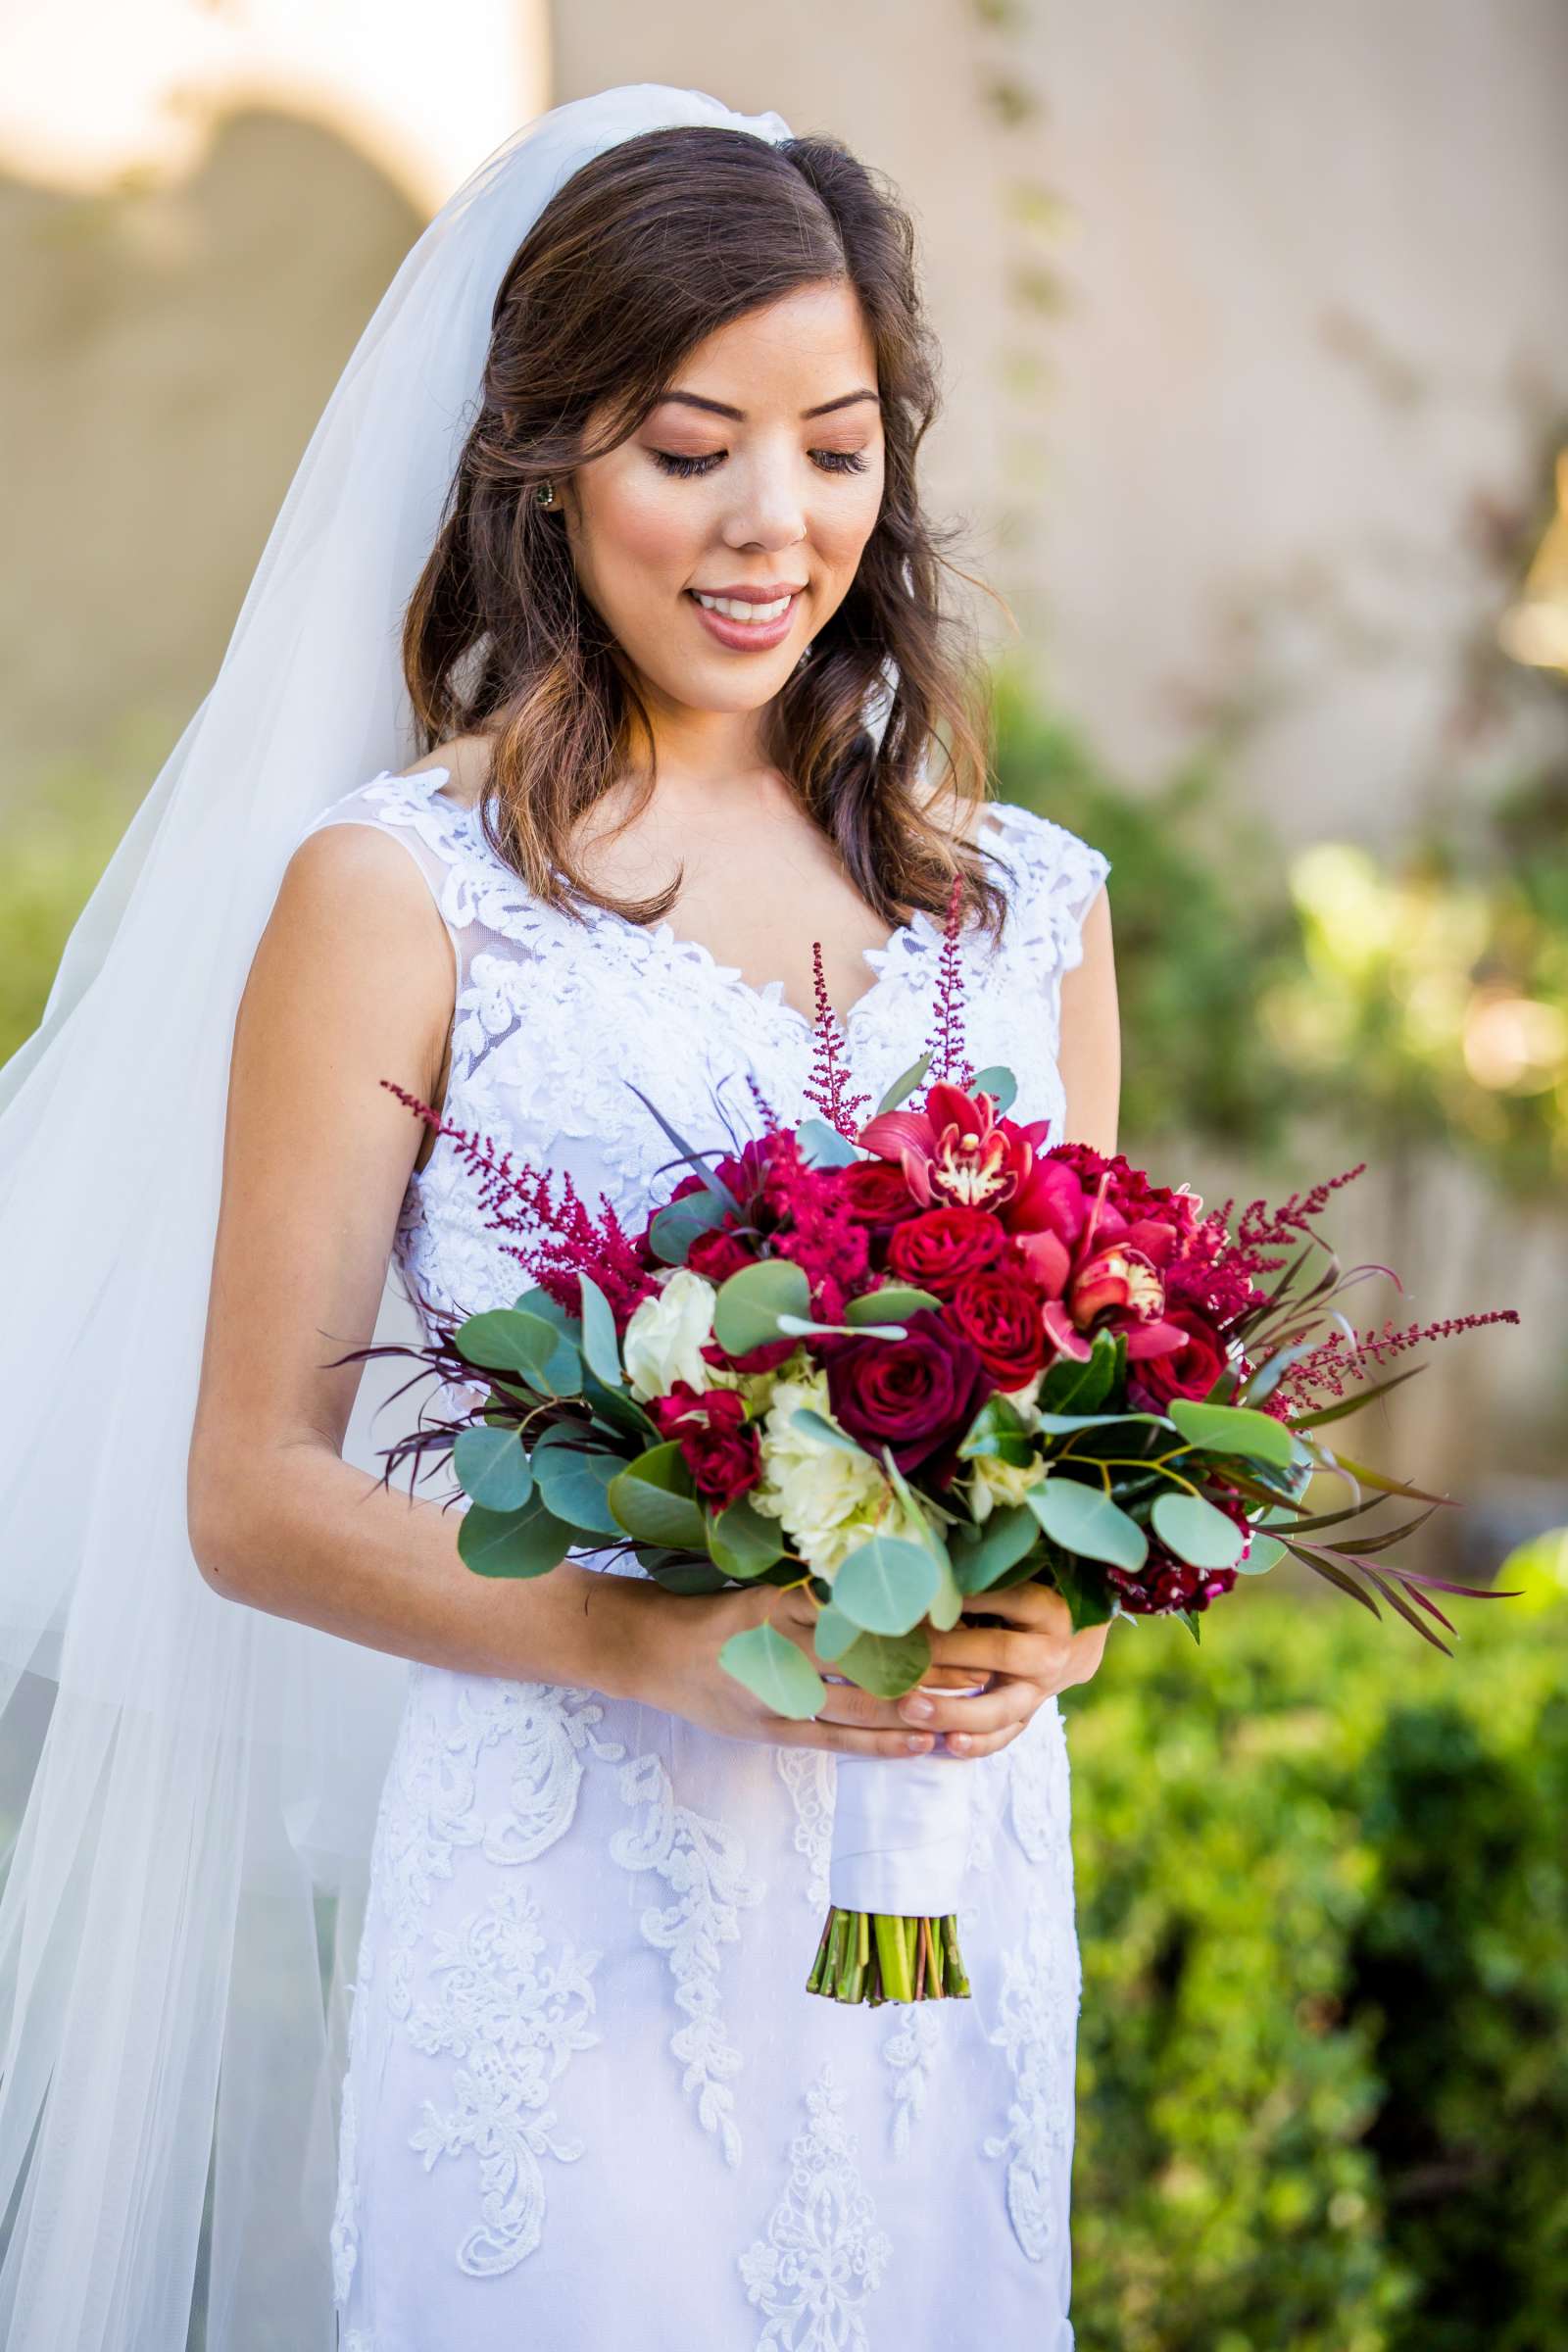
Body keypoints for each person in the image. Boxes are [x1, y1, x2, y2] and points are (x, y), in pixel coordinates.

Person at [0, 85, 1118, 2350]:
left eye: (831, 443)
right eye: (684, 443)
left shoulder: (1026, 909)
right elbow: (250, 1495)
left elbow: (1082, 1440)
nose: (767, 523)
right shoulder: (398, 897)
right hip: (566, 1903)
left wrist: (1052, 1628)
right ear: (542, 461)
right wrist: (651, 1641)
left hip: (946, 1892)